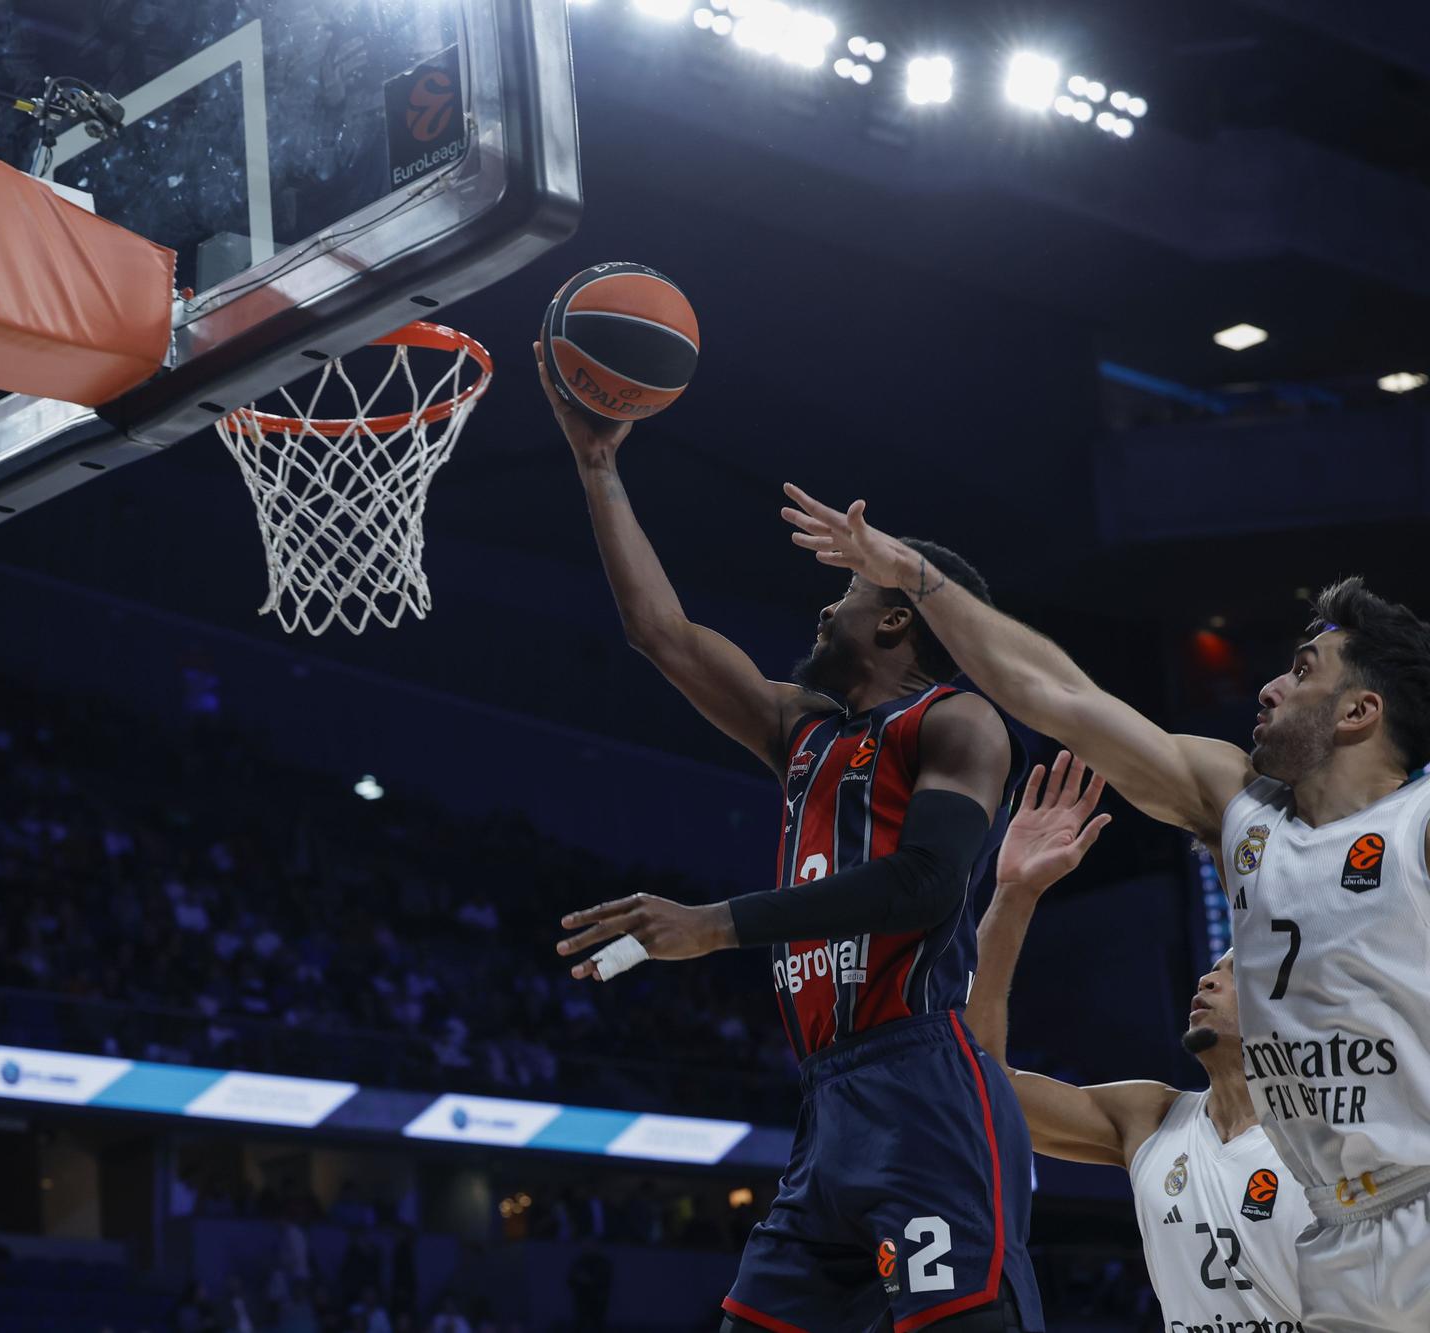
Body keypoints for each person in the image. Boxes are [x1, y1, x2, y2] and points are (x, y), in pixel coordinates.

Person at [780, 483, 1430, 1330]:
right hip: (1344, 1237)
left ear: (1358, 711)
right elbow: (1057, 694)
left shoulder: (1414, 823)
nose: (1268, 687)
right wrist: (914, 577)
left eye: (1302, 672)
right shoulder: (1240, 808)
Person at [540, 355, 1040, 1331]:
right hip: (828, 1106)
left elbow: (928, 884)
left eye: (846, 588)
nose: (823, 604)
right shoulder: (800, 732)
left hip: (923, 1088)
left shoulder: (957, 721)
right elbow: (662, 634)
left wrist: (716, 925)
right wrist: (597, 466)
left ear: (897, 614)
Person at [969, 752, 1308, 1326]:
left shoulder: (1336, 1126)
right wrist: (1014, 894)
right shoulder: (1150, 1118)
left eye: (1233, 971)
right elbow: (978, 1084)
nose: (1207, 977)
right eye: (1212, 967)